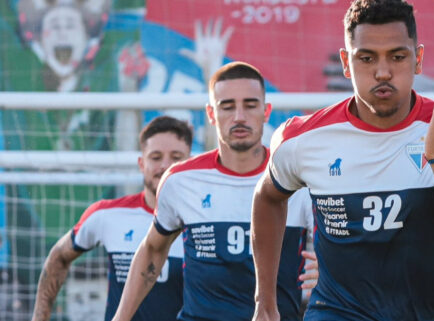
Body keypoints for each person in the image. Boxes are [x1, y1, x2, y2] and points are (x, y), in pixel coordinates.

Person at [250, 0, 434, 320]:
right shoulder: (304, 138)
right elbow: (267, 197)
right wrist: (265, 300)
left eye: (397, 57)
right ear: (346, 63)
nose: (383, 71)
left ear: (418, 59)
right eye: (367, 58)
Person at [112, 62, 315, 321]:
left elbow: (336, 248)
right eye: (227, 106)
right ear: (210, 113)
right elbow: (153, 250)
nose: (239, 116)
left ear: (266, 111)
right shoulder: (181, 180)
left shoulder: (298, 180)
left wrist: (333, 271)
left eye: (250, 105)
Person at [31, 116, 194, 321]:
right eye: (156, 157)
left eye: (176, 157)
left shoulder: (202, 222)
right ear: (141, 163)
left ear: (189, 163)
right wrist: (40, 317)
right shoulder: (108, 214)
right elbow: (58, 257)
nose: (165, 166)